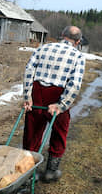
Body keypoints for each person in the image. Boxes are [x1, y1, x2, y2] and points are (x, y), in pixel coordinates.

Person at [23, 25, 86, 182]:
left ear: (62, 35)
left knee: (33, 131)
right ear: (77, 42)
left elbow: (29, 71)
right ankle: (51, 172)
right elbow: (75, 84)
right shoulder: (78, 56)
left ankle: (28, 171)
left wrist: (27, 97)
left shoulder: (42, 48)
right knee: (59, 132)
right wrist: (61, 105)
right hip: (58, 94)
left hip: (38, 91)